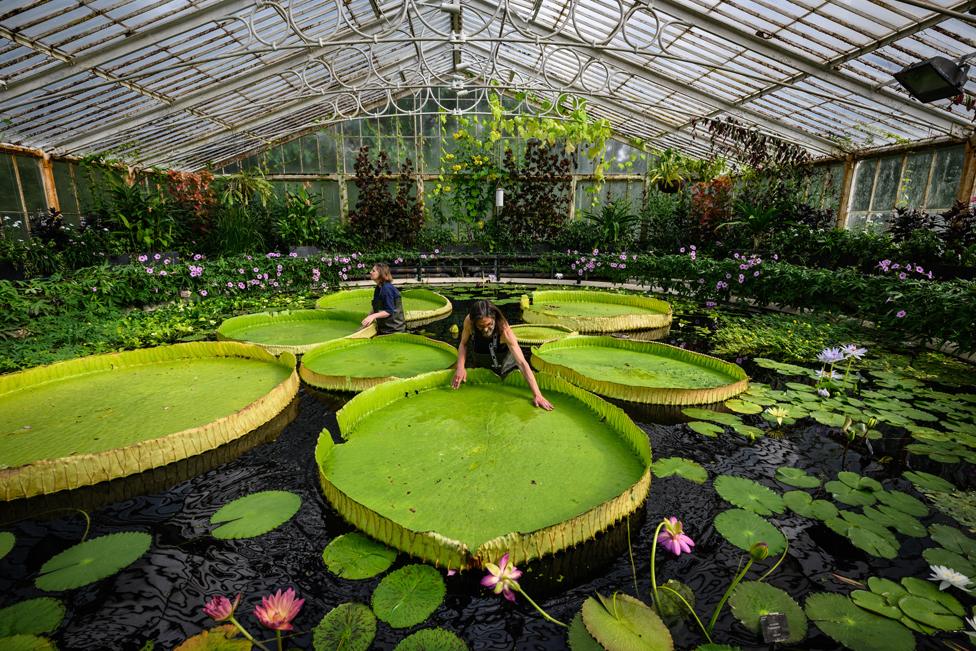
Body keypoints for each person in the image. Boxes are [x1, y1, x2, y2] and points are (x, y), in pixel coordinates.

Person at [452, 299, 554, 410]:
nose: (486, 329)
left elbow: (522, 363)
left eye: (489, 324)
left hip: (504, 362)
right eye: (481, 326)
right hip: (481, 358)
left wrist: (537, 395)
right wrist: (460, 367)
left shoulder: (505, 331)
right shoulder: (469, 321)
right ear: (474, 322)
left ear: (494, 317)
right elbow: (463, 344)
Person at [361, 263, 405, 334]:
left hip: (394, 330)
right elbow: (375, 305)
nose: (370, 272)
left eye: (373, 271)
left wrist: (372, 316)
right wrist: (368, 317)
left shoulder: (387, 288)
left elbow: (389, 311)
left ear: (381, 273)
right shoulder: (378, 287)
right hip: (384, 329)